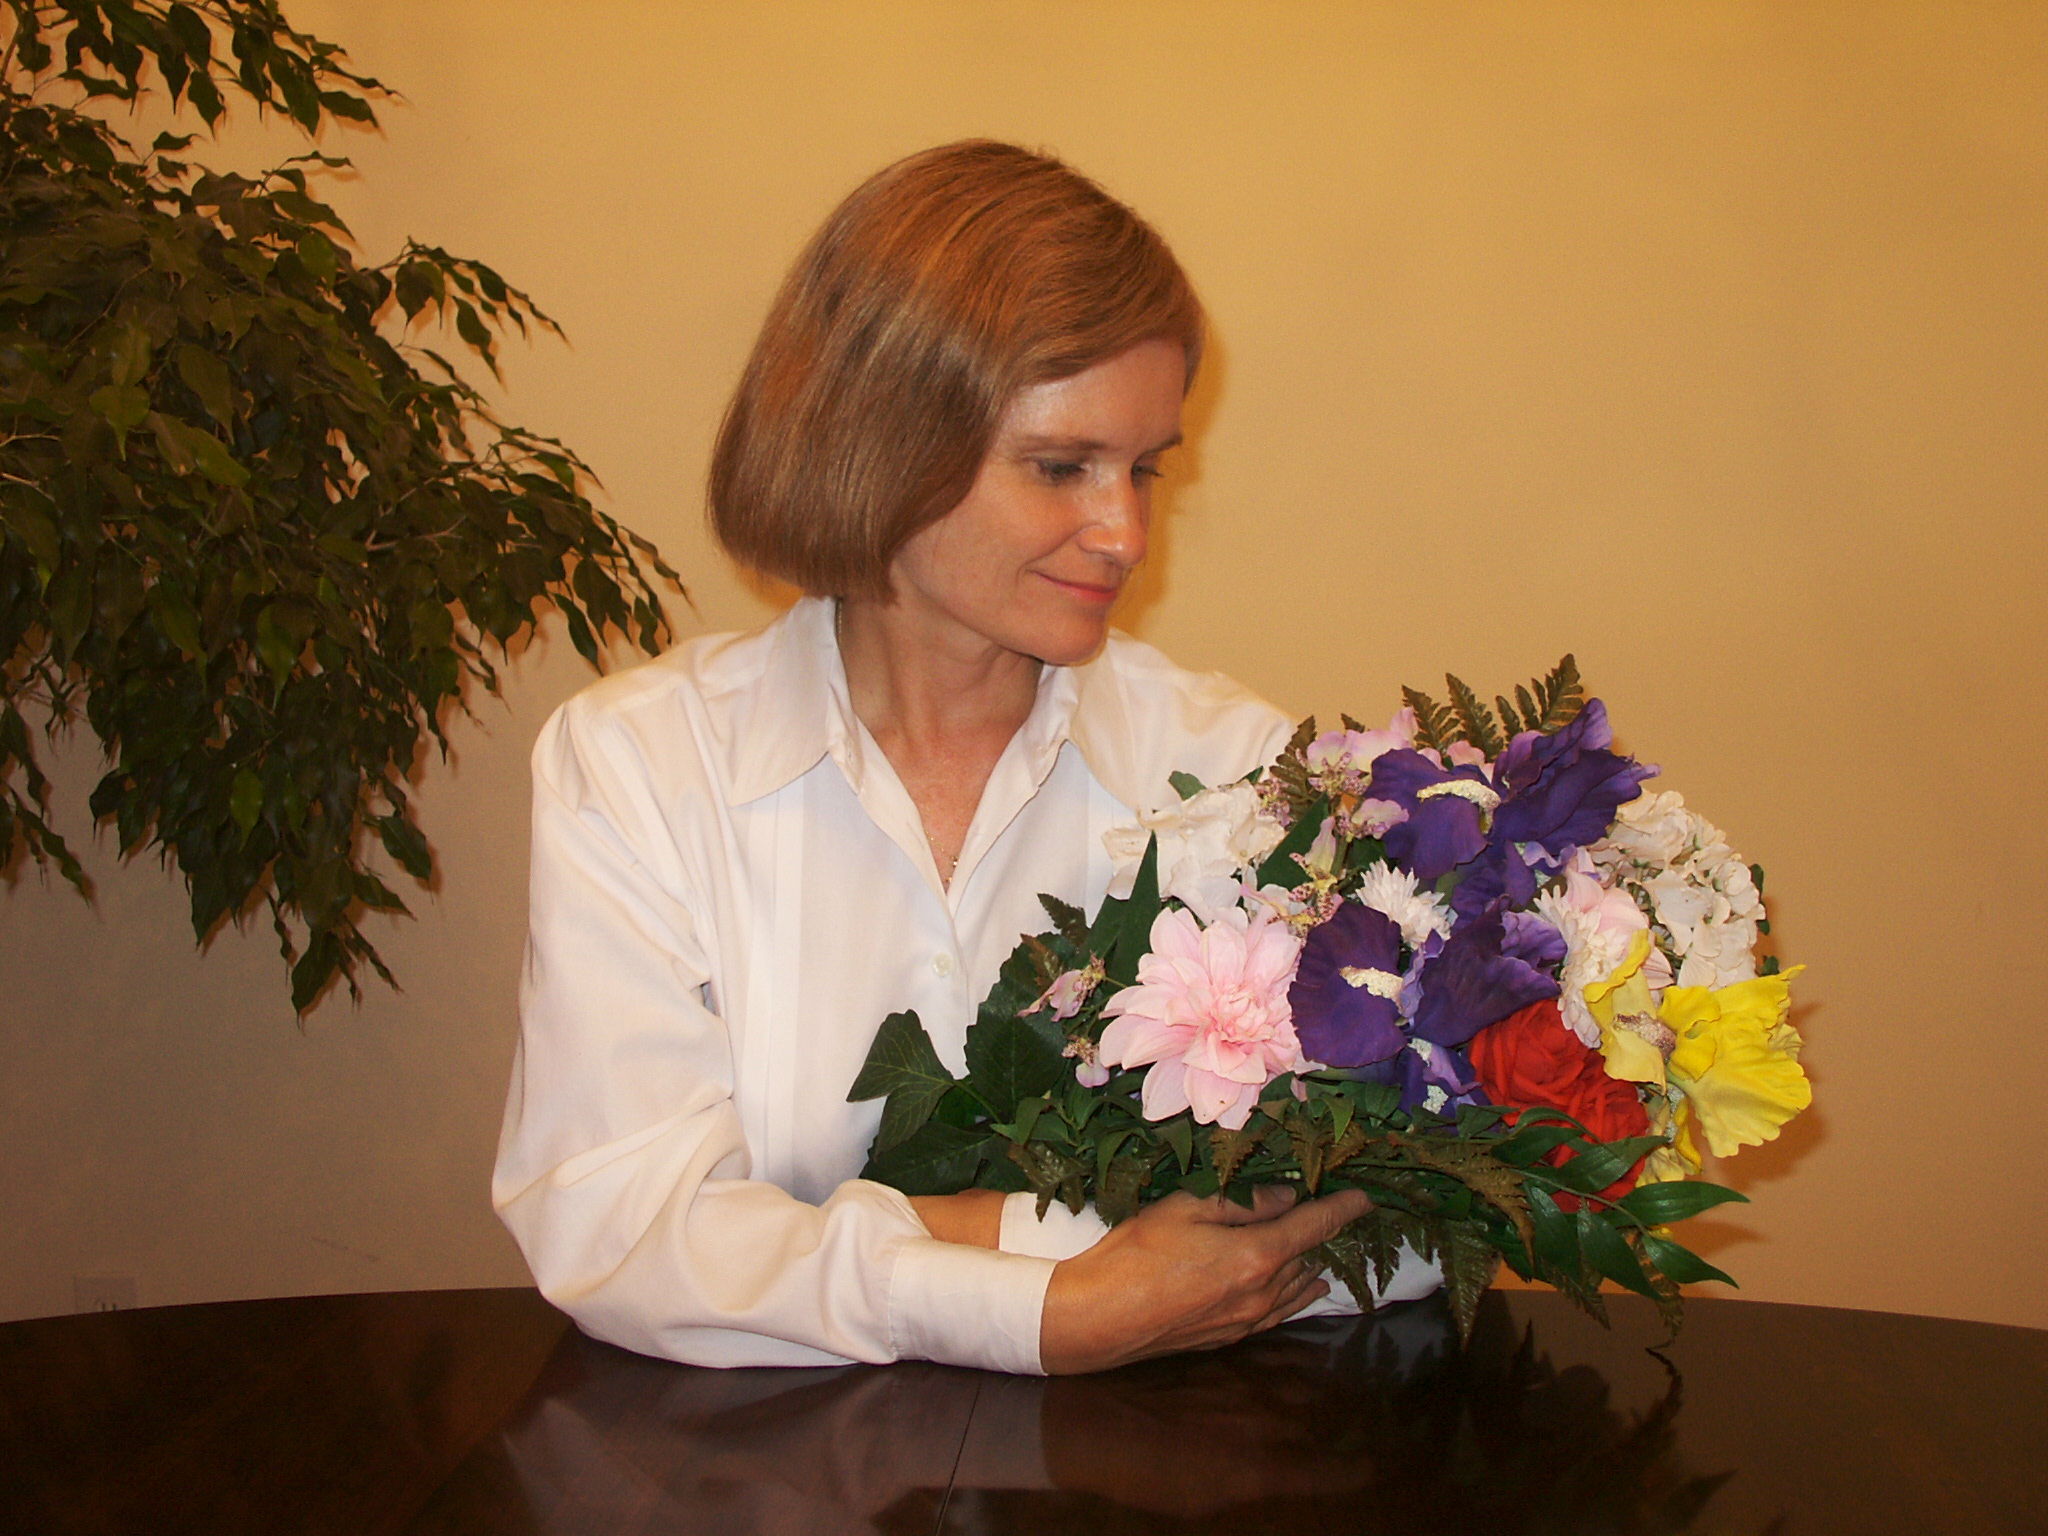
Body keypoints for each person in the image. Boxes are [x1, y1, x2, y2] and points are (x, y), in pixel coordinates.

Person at [492, 140, 1439, 1376]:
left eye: (1144, 469)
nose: (1124, 532)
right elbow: (614, 1231)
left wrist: (873, 1241)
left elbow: (1410, 1220)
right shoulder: (641, 770)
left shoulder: (1240, 773)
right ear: (878, 438)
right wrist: (1054, 1301)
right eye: (1061, 467)